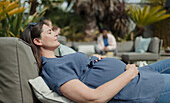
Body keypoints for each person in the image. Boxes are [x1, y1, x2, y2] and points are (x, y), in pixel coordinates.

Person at [21, 22, 170, 103]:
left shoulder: (59, 59)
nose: (56, 33)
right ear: (37, 41)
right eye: (49, 32)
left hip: (143, 74)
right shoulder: (53, 68)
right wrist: (130, 73)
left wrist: (92, 59)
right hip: (141, 86)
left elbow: (83, 71)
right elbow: (93, 98)